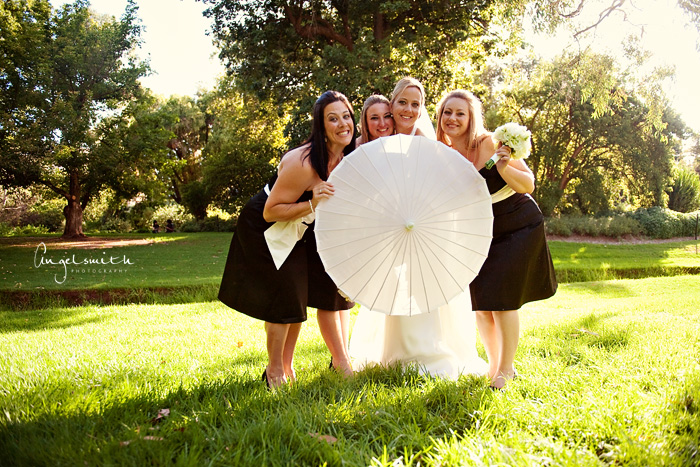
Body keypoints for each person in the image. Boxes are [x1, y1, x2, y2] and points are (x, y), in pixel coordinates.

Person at [348, 83, 488, 380]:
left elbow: (447, 184)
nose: (408, 110)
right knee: (394, 287)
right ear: (392, 104)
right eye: (402, 102)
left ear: (421, 108)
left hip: (424, 227)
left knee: (424, 286)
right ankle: (395, 351)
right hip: (390, 228)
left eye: (415, 104)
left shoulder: (426, 141)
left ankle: (429, 351)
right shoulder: (375, 142)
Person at [218, 91, 356, 389]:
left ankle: (287, 367)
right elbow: (270, 211)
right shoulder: (304, 162)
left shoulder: (345, 158)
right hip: (266, 228)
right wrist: (312, 203)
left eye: (346, 116)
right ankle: (274, 372)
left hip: (299, 229)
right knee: (283, 299)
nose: (342, 124)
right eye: (333, 119)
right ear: (321, 126)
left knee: (296, 298)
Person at [435, 89, 557, 389]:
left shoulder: (490, 143)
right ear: (440, 117)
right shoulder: (442, 156)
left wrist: (502, 167)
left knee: (503, 302)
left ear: (471, 118)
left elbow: (528, 184)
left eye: (460, 113)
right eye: (447, 112)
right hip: (480, 233)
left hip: (518, 224)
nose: (452, 118)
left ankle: (506, 369)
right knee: (483, 306)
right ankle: (493, 367)